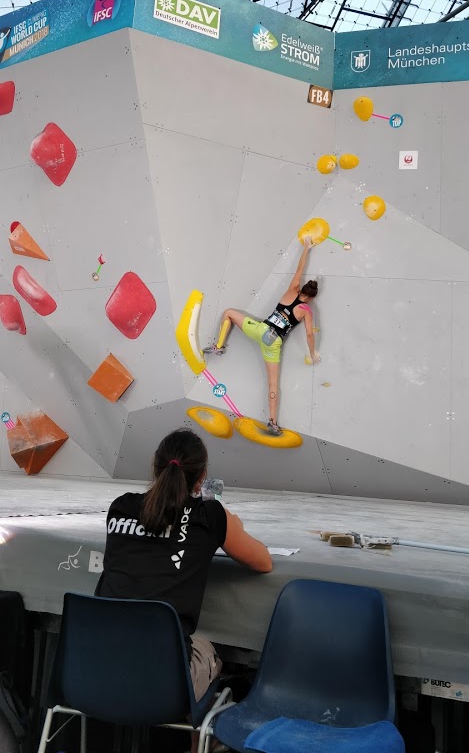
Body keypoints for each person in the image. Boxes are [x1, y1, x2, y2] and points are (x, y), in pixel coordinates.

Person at [95, 428, 272, 752]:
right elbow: (263, 561)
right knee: (210, 648)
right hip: (163, 684)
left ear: (155, 466)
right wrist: (228, 520)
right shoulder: (210, 515)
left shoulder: (120, 507)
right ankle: (200, 741)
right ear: (202, 476)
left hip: (96, 669)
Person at [204, 237, 320, 435]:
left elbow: (299, 269)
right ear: (311, 298)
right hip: (273, 344)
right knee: (273, 384)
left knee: (229, 313)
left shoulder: (292, 290)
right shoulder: (306, 310)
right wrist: (313, 353)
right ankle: (273, 422)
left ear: (302, 290)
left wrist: (307, 248)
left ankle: (219, 346)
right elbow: (309, 334)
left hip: (260, 330)